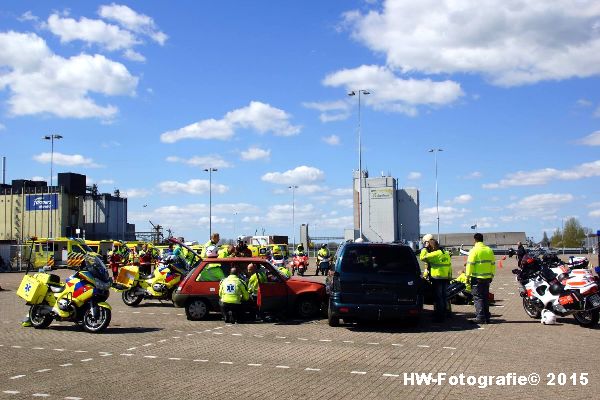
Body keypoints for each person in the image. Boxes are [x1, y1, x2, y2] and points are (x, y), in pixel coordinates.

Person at [420, 235, 453, 322]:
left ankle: (440, 316)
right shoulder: (446, 254)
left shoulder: (434, 254)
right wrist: (450, 276)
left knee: (438, 298)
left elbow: (422, 257)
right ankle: (447, 313)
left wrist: (424, 248)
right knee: (445, 296)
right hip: (446, 278)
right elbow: (450, 267)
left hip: (437, 278)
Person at [466, 233, 496, 324]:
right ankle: (487, 316)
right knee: (485, 297)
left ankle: (480, 317)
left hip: (477, 278)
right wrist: (492, 275)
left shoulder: (474, 250)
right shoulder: (489, 250)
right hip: (487, 277)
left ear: (475, 240)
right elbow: (493, 264)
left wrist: (467, 276)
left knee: (478, 298)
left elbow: (470, 264)